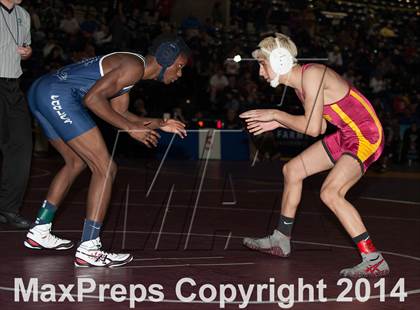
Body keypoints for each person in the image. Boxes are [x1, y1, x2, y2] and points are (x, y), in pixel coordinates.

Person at [24, 34, 190, 268]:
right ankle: (90, 248)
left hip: (41, 90)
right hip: (57, 96)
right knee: (105, 168)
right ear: (165, 59)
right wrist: (131, 129)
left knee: (75, 162)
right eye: (180, 67)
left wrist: (161, 123)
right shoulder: (133, 67)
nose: (180, 74)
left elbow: (121, 115)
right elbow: (93, 100)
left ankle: (40, 230)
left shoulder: (130, 71)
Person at [240, 33, 389, 278]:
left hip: (366, 134)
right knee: (292, 170)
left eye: (262, 64)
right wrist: (279, 122)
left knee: (331, 192)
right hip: (346, 135)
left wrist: (276, 116)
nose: (260, 72)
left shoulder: (312, 74)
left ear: (278, 61)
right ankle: (281, 239)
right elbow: (317, 127)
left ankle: (373, 258)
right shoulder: (302, 83)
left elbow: (312, 128)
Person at [0, 0, 32, 229]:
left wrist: (27, 53)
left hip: (14, 85)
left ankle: (8, 209)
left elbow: (25, 50)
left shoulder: (24, 15)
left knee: (21, 145)